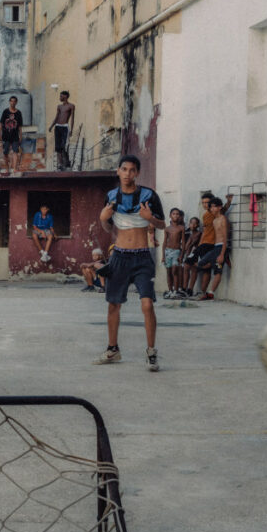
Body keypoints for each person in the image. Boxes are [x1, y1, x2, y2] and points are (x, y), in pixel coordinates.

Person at [94, 155, 164, 371]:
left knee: (147, 304)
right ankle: (113, 349)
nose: (127, 173)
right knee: (114, 304)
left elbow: (162, 225)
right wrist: (103, 218)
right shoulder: (111, 196)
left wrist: (149, 217)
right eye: (124, 169)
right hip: (120, 256)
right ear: (118, 171)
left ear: (137, 173)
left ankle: (151, 352)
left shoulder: (149, 196)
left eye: (132, 170)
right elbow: (109, 229)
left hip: (143, 256)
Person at [195, 197, 230, 300]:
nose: (212, 209)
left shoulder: (223, 219)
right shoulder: (214, 221)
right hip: (216, 247)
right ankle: (217, 262)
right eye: (211, 207)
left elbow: (225, 237)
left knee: (218, 271)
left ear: (219, 207)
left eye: (214, 207)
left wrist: (222, 254)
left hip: (222, 248)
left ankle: (211, 293)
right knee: (201, 263)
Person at [47, 90, 75, 170]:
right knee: (58, 147)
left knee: (64, 146)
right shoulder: (59, 106)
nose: (60, 97)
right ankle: (60, 165)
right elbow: (56, 117)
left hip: (65, 127)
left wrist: (71, 130)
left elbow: (72, 118)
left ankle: (67, 163)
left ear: (65, 96)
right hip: (57, 127)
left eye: (61, 96)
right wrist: (52, 126)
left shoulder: (71, 106)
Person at [160, 208, 185, 298]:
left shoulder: (181, 228)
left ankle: (176, 290)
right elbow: (164, 242)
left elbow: (183, 243)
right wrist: (163, 256)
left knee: (175, 270)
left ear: (179, 216)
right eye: (173, 214)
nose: (175, 215)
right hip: (168, 251)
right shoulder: (167, 229)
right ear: (170, 216)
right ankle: (170, 290)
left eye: (177, 214)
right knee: (169, 271)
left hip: (177, 251)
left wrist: (181, 255)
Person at [0, 96, 23, 174]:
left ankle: (14, 168)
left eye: (14, 101)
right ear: (9, 102)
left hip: (15, 135)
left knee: (15, 151)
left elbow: (19, 126)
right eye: (11, 101)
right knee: (5, 152)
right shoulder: (5, 111)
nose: (13, 103)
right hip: (6, 135)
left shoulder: (18, 113)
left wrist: (20, 136)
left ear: (16, 102)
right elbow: (1, 124)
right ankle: (7, 168)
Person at [178, 216, 201, 298]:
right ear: (189, 223)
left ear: (198, 225)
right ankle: (184, 288)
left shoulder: (199, 234)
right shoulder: (186, 233)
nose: (193, 225)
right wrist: (182, 254)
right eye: (192, 223)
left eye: (195, 223)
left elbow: (196, 245)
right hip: (186, 253)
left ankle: (190, 289)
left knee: (194, 269)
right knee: (186, 269)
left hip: (195, 253)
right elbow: (185, 245)